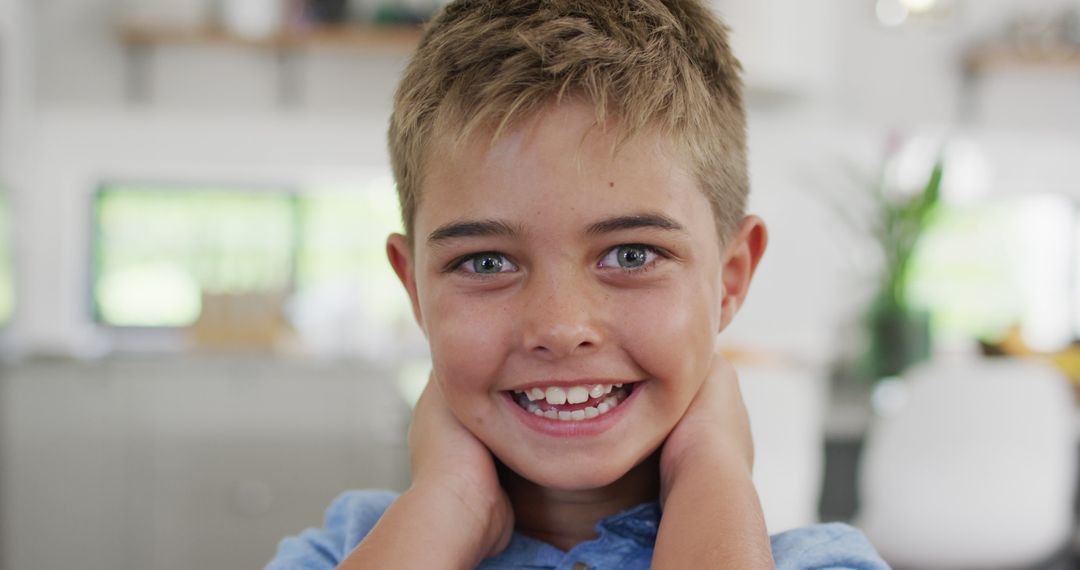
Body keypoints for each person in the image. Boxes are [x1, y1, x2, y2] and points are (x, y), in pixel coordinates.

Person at [267, 0, 890, 567]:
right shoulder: (343, 553)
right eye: (486, 263)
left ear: (728, 280)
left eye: (631, 253)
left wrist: (712, 474)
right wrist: (447, 501)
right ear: (415, 291)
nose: (561, 328)